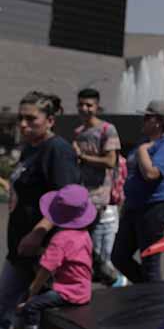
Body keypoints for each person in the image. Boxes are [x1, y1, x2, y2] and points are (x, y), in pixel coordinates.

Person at [0, 91, 81, 329]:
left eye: (31, 119)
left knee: (35, 315)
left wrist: (38, 232)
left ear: (50, 120)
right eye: (21, 118)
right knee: (8, 310)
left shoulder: (58, 150)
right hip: (20, 248)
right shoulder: (30, 148)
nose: (23, 124)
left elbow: (68, 199)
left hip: (44, 251)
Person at [111, 100, 164, 283]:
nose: (142, 120)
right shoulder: (143, 142)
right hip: (134, 206)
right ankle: (146, 289)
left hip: (156, 207)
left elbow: (151, 174)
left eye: (147, 117)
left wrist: (143, 151)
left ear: (159, 121)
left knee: (149, 260)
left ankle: (151, 296)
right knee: (119, 256)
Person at [15, 185, 95, 329]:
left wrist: (31, 294)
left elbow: (45, 271)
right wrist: (44, 251)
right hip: (84, 290)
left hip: (69, 293)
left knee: (31, 307)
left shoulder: (60, 239)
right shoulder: (84, 234)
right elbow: (71, 255)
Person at [72, 88, 123, 286]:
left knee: (98, 250)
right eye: (81, 104)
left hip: (100, 197)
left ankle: (115, 282)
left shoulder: (107, 129)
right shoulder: (79, 132)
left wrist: (82, 156)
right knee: (84, 245)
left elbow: (110, 161)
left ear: (97, 107)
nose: (84, 109)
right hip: (82, 195)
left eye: (89, 105)